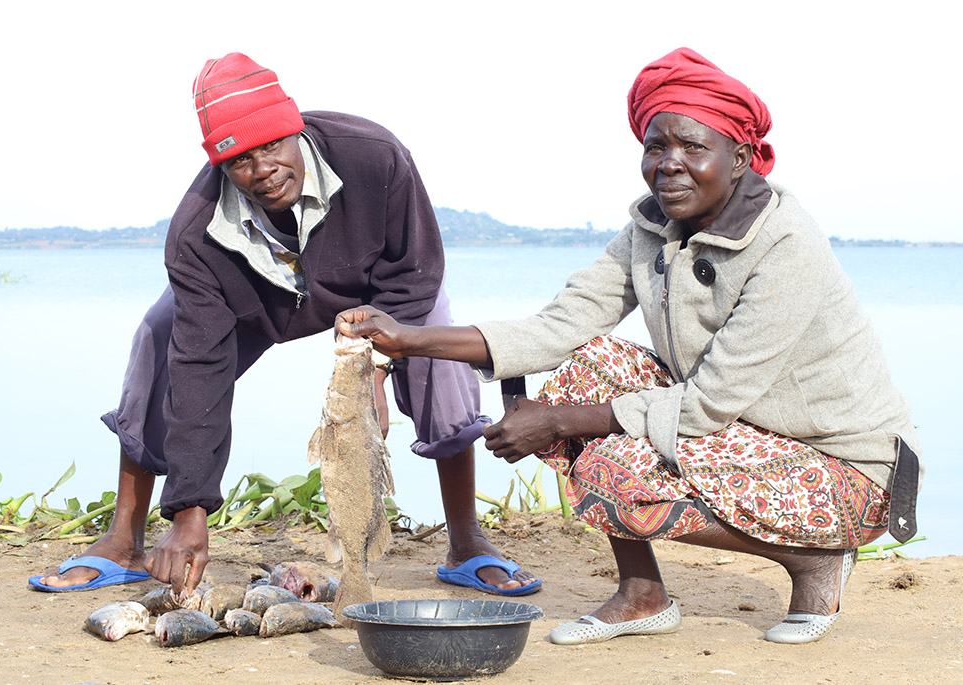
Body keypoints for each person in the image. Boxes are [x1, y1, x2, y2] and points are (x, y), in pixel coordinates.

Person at [335, 47, 922, 645]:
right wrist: (407, 339)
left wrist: (557, 421)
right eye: (655, 147)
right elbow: (561, 325)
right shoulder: (651, 227)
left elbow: (709, 403)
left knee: (614, 463)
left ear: (740, 157)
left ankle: (814, 559)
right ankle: (642, 595)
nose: (669, 165)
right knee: (596, 364)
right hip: (745, 436)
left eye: (693, 148)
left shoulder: (787, 245)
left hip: (846, 469)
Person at [29, 52, 539, 597]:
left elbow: (414, 274)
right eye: (240, 161)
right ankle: (125, 537)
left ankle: (466, 540)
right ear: (221, 166)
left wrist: (377, 370)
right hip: (253, 304)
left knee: (436, 328)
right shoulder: (195, 234)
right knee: (159, 334)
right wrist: (190, 507)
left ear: (295, 129)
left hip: (367, 299)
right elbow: (199, 368)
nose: (263, 170)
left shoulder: (375, 157)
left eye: (271, 146)